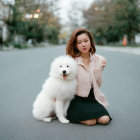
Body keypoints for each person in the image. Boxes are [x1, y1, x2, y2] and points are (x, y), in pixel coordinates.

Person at [66, 28, 112, 126]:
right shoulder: (71, 61)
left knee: (104, 120)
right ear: (75, 45)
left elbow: (98, 84)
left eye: (86, 41)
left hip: (92, 97)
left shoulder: (100, 60)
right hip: (76, 98)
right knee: (90, 122)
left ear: (90, 41)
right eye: (79, 42)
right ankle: (69, 113)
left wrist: (99, 70)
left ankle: (88, 113)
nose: (83, 44)